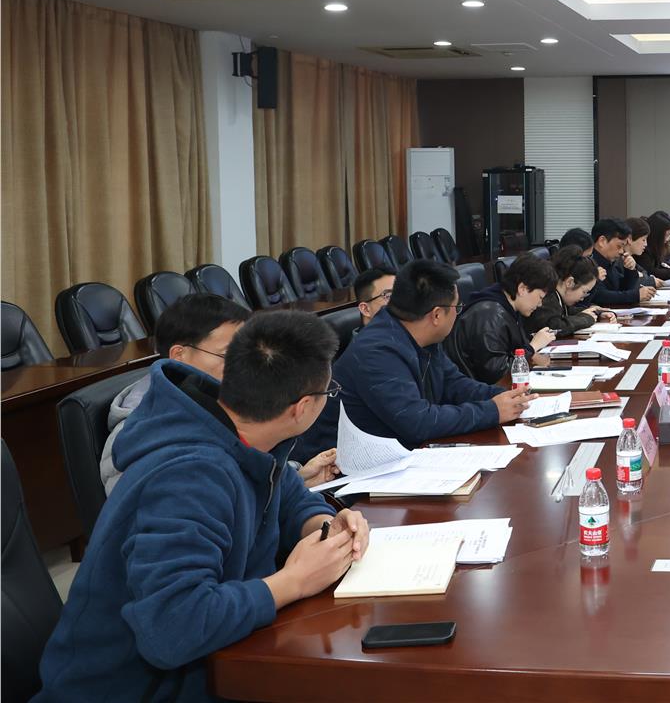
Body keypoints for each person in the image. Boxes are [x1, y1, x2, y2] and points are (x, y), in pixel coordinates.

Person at [37, 311, 369, 702]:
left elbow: (286, 493)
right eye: (329, 393)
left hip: (217, 662)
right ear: (302, 408)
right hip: (130, 689)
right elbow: (171, 629)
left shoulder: (242, 427)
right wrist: (293, 581)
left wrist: (323, 526)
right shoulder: (189, 477)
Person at [100, 295, 339, 494]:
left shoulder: (210, 398)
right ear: (179, 355)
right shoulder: (138, 427)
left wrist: (298, 476)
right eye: (230, 354)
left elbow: (243, 470)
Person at [294, 259, 534, 457]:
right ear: (436, 315)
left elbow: (454, 384)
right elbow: (417, 422)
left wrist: (505, 397)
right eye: (456, 307)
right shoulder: (376, 351)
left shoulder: (421, 335)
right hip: (349, 474)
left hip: (400, 456)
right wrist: (492, 411)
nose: (457, 314)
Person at [455, 254, 562, 383]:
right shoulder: (490, 315)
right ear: (522, 289)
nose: (540, 304)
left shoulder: (510, 307)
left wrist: (531, 354)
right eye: (540, 297)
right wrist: (532, 347)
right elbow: (497, 375)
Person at [524, 246, 615, 338]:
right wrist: (585, 319)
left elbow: (567, 311)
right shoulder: (547, 296)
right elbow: (553, 326)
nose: (583, 298)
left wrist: (596, 313)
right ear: (569, 282)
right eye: (584, 291)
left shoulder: (557, 295)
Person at [587, 217, 658, 306]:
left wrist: (630, 270)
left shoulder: (611, 262)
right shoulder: (587, 263)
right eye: (619, 246)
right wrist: (636, 295)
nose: (621, 251)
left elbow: (622, 289)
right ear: (602, 241)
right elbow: (600, 296)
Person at [622, 216, 666, 288]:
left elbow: (645, 272)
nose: (646, 244)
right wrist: (650, 281)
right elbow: (625, 283)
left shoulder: (629, 257)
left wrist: (641, 275)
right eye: (643, 240)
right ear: (629, 239)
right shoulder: (619, 259)